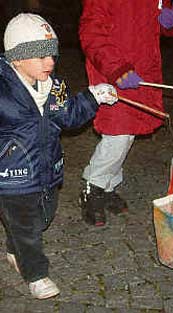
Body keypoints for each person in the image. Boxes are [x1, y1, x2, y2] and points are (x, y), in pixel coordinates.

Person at [0, 13, 118, 299]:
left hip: (46, 169)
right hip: (11, 177)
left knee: (42, 218)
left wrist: (93, 97)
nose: (50, 63)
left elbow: (69, 116)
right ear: (17, 59)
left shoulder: (55, 86)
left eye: (52, 55)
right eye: (40, 57)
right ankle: (36, 274)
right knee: (27, 227)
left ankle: (15, 246)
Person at [78, 0, 173, 227]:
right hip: (114, 73)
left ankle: (108, 186)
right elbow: (91, 32)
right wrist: (115, 67)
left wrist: (170, 22)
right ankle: (92, 185)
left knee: (128, 132)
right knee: (118, 134)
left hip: (142, 70)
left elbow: (159, 26)